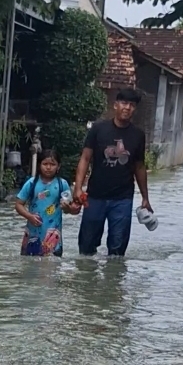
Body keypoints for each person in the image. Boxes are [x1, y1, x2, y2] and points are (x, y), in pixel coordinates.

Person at [73, 88, 153, 256]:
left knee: (117, 249)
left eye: (132, 105)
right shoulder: (98, 129)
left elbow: (139, 166)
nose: (127, 108)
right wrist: (78, 188)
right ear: (115, 105)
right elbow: (85, 158)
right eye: (124, 103)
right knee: (86, 246)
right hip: (95, 195)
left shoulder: (138, 135)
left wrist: (145, 198)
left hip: (122, 199)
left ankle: (114, 280)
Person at [15, 149, 80, 256]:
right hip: (32, 234)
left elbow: (69, 209)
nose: (48, 167)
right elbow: (18, 204)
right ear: (39, 165)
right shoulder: (31, 183)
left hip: (53, 237)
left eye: (52, 164)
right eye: (45, 164)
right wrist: (29, 216)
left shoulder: (62, 184)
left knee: (51, 267)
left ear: (58, 166)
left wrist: (68, 208)